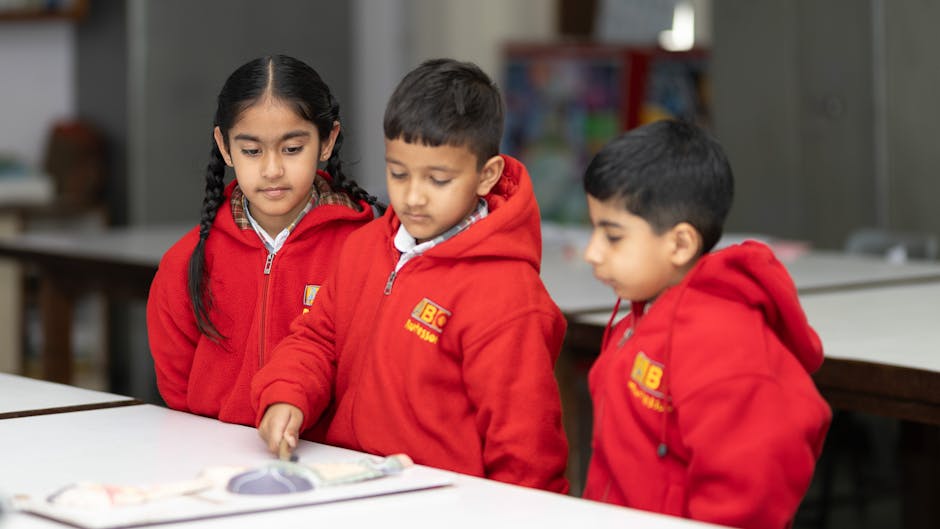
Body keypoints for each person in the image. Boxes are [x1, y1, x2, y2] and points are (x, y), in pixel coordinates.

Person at [251, 58, 569, 493]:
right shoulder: (365, 248)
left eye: (438, 180)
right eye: (398, 173)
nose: (413, 197)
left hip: (444, 505)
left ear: (486, 175)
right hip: (348, 483)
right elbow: (318, 338)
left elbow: (526, 451)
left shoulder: (507, 297)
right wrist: (287, 392)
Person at [580, 119, 831, 528]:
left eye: (612, 236)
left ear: (680, 243)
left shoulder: (726, 344)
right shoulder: (643, 315)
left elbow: (753, 488)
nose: (592, 252)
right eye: (594, 230)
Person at [146, 55, 378, 426]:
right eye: (252, 151)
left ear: (327, 141)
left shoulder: (365, 252)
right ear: (224, 146)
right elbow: (176, 390)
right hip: (212, 460)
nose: (272, 170)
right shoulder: (186, 262)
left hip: (327, 465)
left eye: (291, 149)